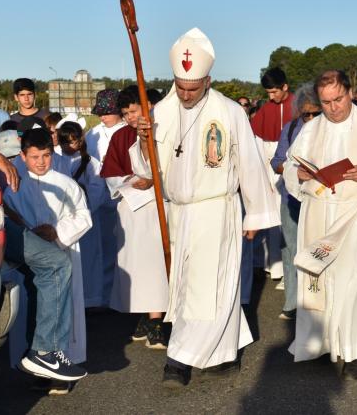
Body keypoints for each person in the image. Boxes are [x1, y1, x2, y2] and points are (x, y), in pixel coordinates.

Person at [132, 27, 279, 387]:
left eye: (193, 89)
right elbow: (145, 169)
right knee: (187, 288)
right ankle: (222, 352)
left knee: (208, 286)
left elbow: (250, 163)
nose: (185, 94)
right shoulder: (161, 111)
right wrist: (142, 139)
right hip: (177, 212)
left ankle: (177, 361)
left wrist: (256, 212)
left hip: (217, 211)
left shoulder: (229, 112)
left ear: (208, 80)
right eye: (180, 87)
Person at [283, 70, 357, 380]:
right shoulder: (311, 130)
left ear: (349, 92)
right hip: (319, 214)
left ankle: (353, 351)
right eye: (326, 102)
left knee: (353, 282)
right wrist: (300, 174)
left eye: (338, 99)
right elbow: (290, 166)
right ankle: (318, 343)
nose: (333, 107)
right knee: (318, 278)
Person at [4, 128, 92, 382]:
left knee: (63, 307)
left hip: (62, 249)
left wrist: (56, 232)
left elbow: (83, 217)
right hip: (29, 260)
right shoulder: (15, 187)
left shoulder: (66, 183)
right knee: (30, 308)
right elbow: (11, 220)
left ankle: (59, 363)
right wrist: (31, 234)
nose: (41, 162)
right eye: (34, 157)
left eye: (46, 156)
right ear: (22, 157)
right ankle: (33, 367)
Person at [101, 85, 169, 348]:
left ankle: (156, 320)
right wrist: (131, 180)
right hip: (131, 208)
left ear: (147, 106)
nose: (129, 117)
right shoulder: (120, 137)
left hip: (157, 208)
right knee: (136, 267)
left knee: (154, 266)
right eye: (125, 112)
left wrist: (153, 180)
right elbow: (111, 175)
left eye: (133, 111)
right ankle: (145, 315)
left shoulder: (162, 131)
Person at [270, 83, 321, 320]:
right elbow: (276, 162)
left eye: (315, 113)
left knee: (317, 251)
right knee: (291, 250)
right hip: (291, 198)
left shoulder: (330, 131)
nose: (310, 118)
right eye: (306, 113)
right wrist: (292, 168)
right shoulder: (291, 129)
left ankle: (316, 300)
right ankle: (291, 302)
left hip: (320, 199)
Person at [56, 121, 109, 309]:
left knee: (89, 260)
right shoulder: (55, 159)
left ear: (80, 140)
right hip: (61, 220)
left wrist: (82, 212)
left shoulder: (90, 162)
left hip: (85, 219)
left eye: (74, 142)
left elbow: (98, 190)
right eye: (66, 142)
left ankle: (90, 301)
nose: (70, 146)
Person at [249, 67, 292, 281]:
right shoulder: (266, 110)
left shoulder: (297, 105)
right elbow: (257, 142)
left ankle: (285, 268)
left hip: (290, 167)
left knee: (285, 217)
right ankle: (268, 263)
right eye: (268, 93)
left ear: (285, 87)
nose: (271, 97)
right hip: (268, 166)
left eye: (275, 92)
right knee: (268, 215)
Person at [85, 88, 126, 307]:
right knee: (100, 247)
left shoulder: (128, 130)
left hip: (121, 196)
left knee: (119, 248)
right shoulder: (93, 134)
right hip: (97, 197)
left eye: (108, 112)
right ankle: (100, 295)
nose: (103, 117)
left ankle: (115, 296)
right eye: (100, 113)